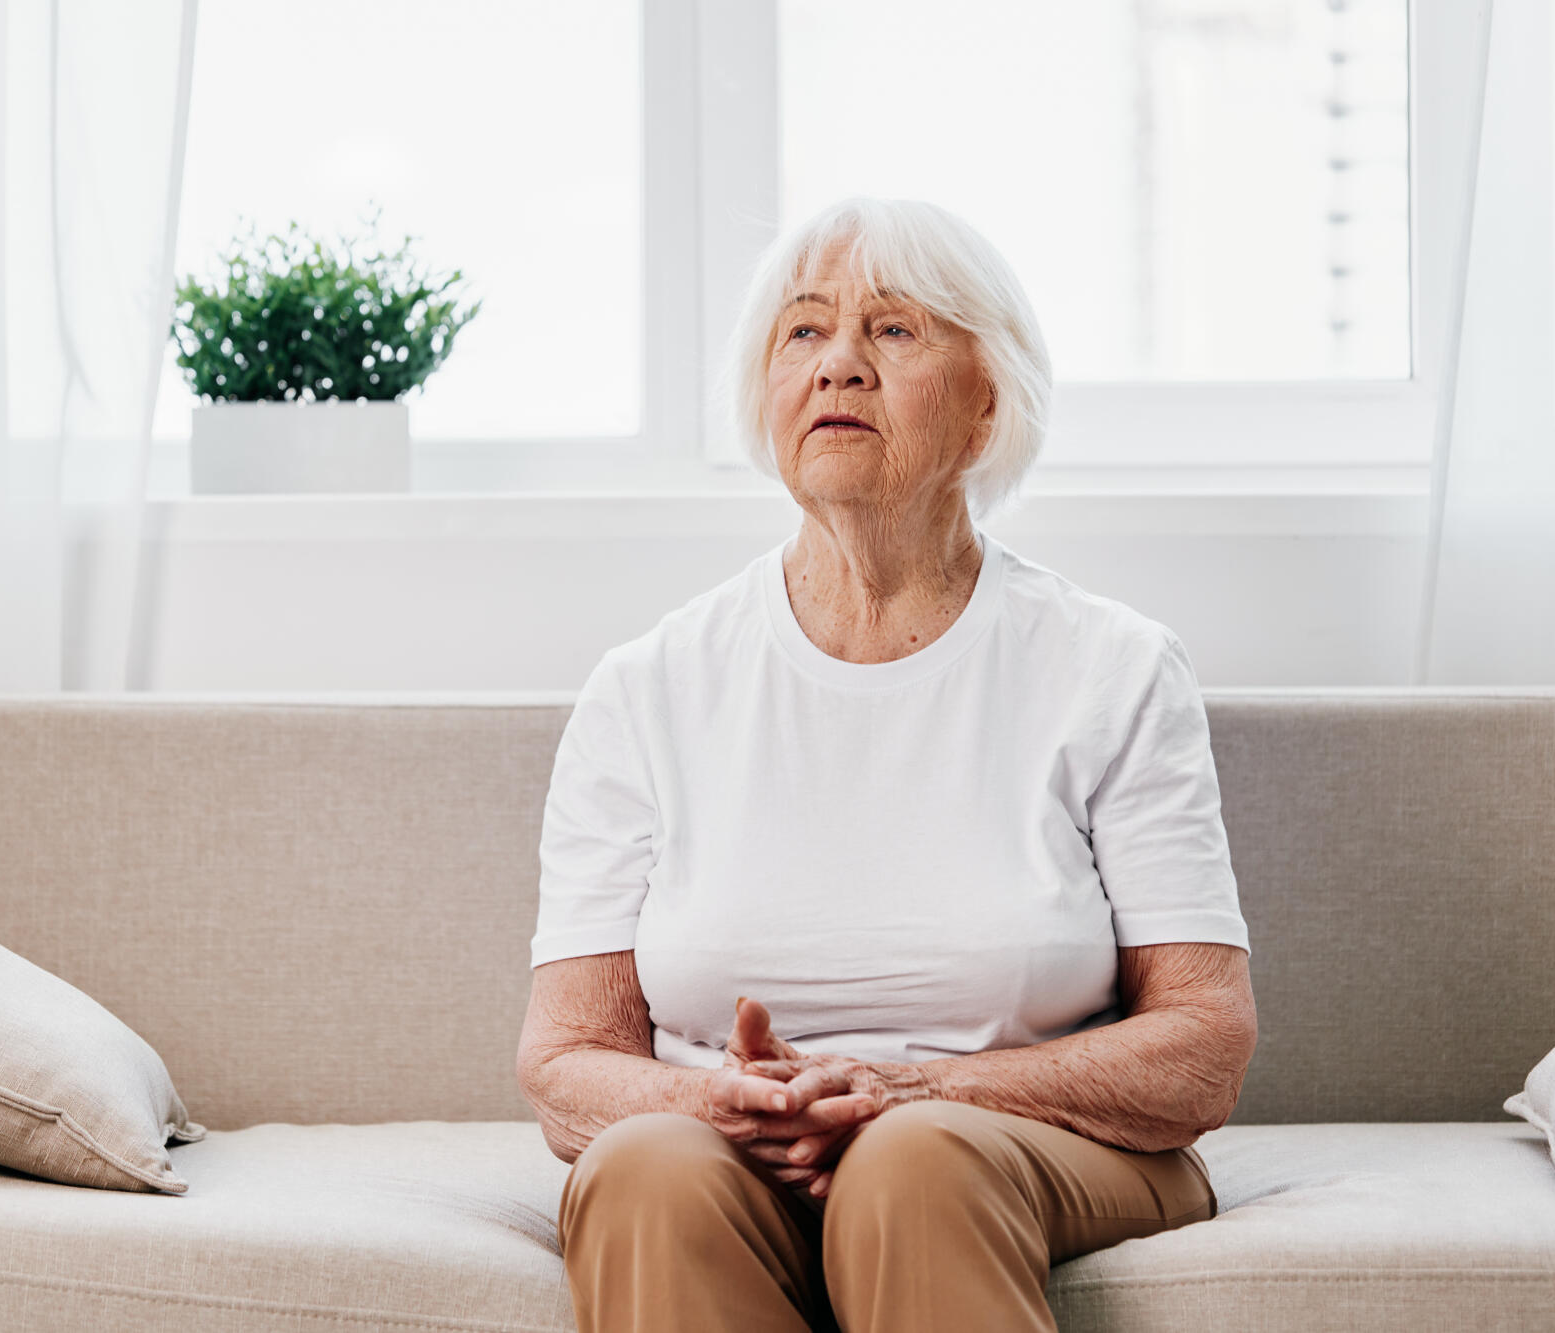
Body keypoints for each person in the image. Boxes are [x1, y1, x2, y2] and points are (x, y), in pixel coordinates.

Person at [513, 196, 1257, 1332]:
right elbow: (567, 1054)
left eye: (894, 332)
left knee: (908, 1160)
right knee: (645, 1166)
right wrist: (727, 1102)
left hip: (1028, 1146)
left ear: (986, 404)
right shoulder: (648, 685)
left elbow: (1202, 1044)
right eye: (802, 332)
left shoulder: (1109, 668)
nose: (838, 366)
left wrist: (920, 1088)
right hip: (731, 1154)